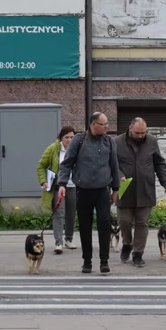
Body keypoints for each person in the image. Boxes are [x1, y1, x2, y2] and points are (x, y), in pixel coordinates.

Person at [56, 112, 121, 274]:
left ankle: (104, 261)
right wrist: (62, 184)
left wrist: (116, 188)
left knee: (104, 225)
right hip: (83, 191)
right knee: (85, 227)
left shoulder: (109, 142)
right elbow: (67, 163)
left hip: (102, 191)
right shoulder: (78, 141)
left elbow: (114, 165)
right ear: (93, 124)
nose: (107, 127)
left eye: (107, 124)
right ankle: (87, 261)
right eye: (103, 124)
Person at [116, 118, 166, 267]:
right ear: (129, 129)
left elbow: (159, 163)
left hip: (145, 189)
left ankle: (138, 253)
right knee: (124, 221)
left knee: (142, 223)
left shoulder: (152, 141)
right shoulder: (117, 142)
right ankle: (127, 243)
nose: (141, 136)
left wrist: (165, 182)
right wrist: (118, 174)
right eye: (137, 133)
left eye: (143, 133)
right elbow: (112, 163)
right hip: (124, 189)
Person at [37, 126, 78, 255]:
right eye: (67, 137)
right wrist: (43, 181)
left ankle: (69, 239)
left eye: (72, 137)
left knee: (71, 214)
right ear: (61, 138)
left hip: (73, 186)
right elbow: (41, 165)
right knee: (59, 214)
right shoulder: (53, 149)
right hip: (57, 186)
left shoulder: (78, 149)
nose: (70, 140)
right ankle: (58, 242)